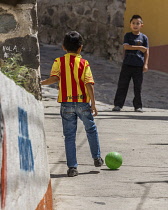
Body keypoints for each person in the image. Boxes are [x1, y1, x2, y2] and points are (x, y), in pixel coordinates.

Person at [41, 31, 104, 177]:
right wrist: (93, 104)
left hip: (66, 104)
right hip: (82, 103)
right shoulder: (84, 63)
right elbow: (89, 84)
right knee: (91, 129)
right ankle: (97, 157)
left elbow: (54, 78)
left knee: (69, 136)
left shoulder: (58, 62)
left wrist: (41, 83)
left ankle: (72, 167)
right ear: (80, 48)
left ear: (63, 47)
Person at [112, 15, 149, 112]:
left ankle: (138, 106)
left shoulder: (144, 38)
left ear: (142, 25)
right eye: (133, 23)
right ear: (130, 25)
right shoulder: (127, 36)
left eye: (138, 23)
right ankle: (118, 105)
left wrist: (145, 64)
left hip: (138, 65)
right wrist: (138, 48)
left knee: (138, 87)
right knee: (122, 85)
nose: (135, 25)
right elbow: (126, 47)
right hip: (127, 64)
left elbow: (146, 52)